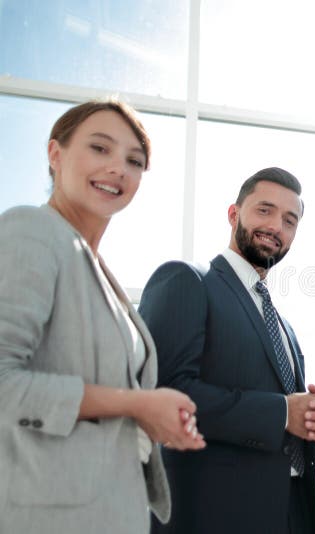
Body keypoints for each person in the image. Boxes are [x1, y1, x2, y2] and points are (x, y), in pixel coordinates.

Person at [0, 100, 205, 534]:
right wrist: (135, 403)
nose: (119, 168)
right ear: (55, 155)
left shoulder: (96, 269)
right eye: (100, 148)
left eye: (134, 161)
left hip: (112, 512)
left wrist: (150, 420)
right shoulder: (30, 231)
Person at [138, 168, 315, 534]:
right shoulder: (186, 280)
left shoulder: (285, 327)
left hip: (294, 512)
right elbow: (162, 394)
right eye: (264, 210)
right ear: (233, 214)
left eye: (289, 220)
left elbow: (289, 423)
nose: (276, 226)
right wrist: (281, 412)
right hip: (214, 515)